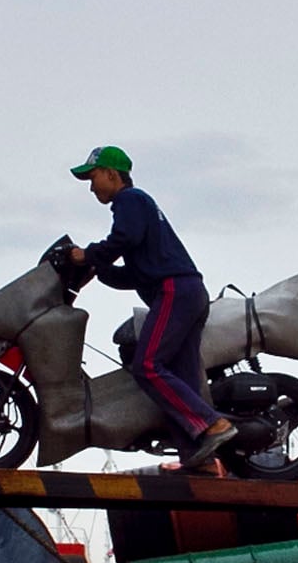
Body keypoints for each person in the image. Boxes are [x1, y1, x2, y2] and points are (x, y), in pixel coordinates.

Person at [65, 146, 239, 472]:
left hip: (175, 292)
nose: (91, 186)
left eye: (93, 177)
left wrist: (87, 255)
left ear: (112, 174)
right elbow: (134, 272)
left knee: (146, 366)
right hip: (187, 291)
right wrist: (100, 270)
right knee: (181, 380)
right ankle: (199, 459)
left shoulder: (129, 201)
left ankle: (214, 425)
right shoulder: (140, 208)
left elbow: (123, 239)